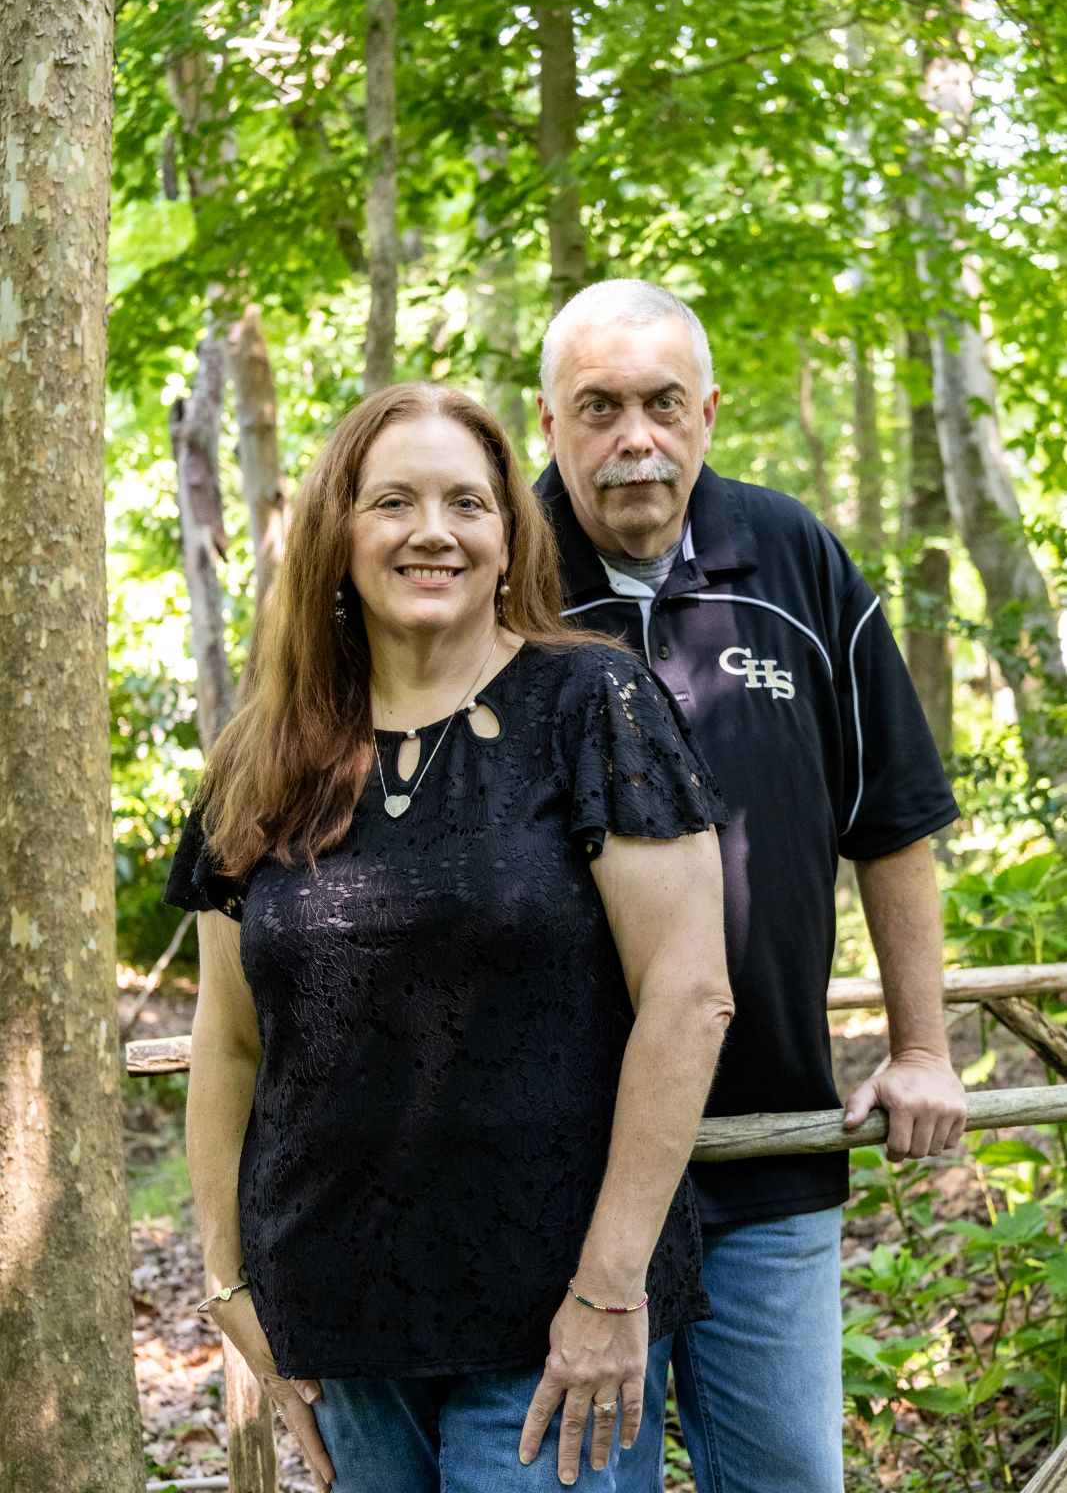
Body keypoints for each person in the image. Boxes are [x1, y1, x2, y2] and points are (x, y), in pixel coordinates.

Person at [163, 382, 736, 1493]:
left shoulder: (591, 703)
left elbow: (687, 993)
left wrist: (611, 1287)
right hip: (335, 1317)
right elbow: (226, 1041)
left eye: (466, 502)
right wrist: (230, 1285)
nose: (433, 531)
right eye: (393, 501)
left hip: (556, 1317)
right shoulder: (260, 755)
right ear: (338, 534)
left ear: (507, 534)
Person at [533, 280, 968, 1493]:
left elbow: (891, 823)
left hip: (769, 1149)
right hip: (557, 1179)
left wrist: (921, 1046)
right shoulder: (493, 574)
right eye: (599, 407)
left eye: (662, 404)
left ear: (708, 412)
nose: (635, 438)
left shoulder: (794, 557)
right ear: (549, 419)